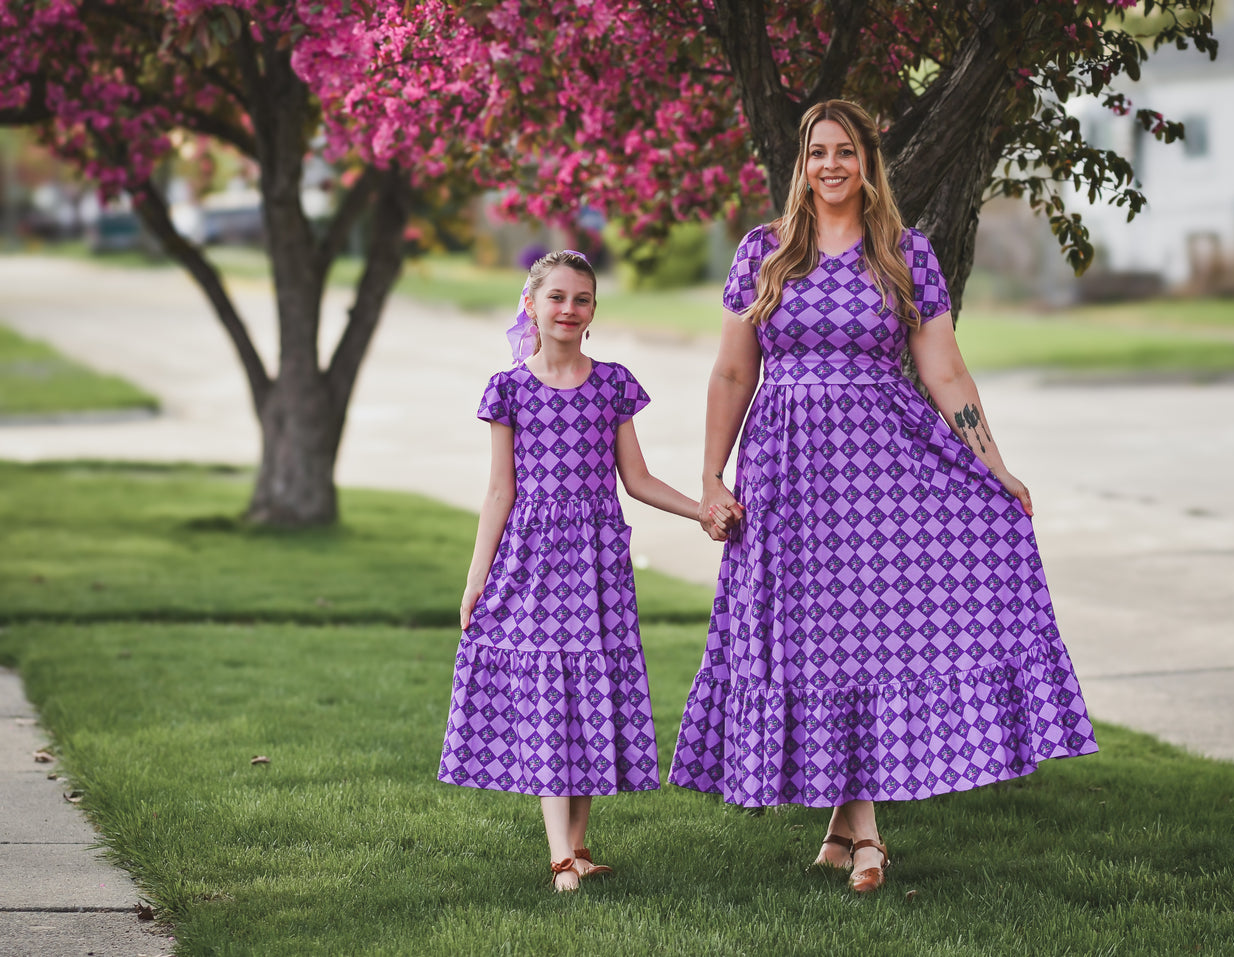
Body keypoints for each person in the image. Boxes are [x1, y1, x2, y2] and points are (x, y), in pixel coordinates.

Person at [669, 100, 1099, 894]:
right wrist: (710, 476)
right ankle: (849, 825)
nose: (829, 165)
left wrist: (992, 464)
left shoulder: (905, 254)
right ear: (802, 164)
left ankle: (859, 831)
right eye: (816, 152)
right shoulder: (763, 254)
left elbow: (944, 371)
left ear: (868, 162)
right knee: (815, 639)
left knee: (861, 641)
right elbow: (733, 371)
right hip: (788, 472)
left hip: (885, 478)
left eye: (844, 151)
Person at [438, 250, 715, 892]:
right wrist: (476, 578)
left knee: (592, 689)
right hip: (531, 565)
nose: (569, 309)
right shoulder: (508, 389)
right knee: (547, 695)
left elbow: (637, 479)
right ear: (531, 304)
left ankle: (580, 846)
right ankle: (560, 855)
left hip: (598, 565)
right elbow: (499, 492)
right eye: (557, 297)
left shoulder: (613, 383)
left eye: (582, 299)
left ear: (593, 312)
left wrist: (699, 509)